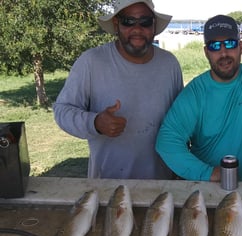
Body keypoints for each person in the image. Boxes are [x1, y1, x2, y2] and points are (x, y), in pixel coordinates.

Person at [53, 0, 183, 179]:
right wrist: (95, 122)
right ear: (116, 24)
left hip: (161, 186)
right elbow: (62, 111)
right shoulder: (91, 62)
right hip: (108, 186)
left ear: (153, 26)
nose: (137, 29)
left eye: (145, 21)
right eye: (128, 21)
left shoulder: (170, 64)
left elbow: (180, 122)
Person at [155, 15, 242, 189]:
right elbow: (166, 141)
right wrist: (208, 173)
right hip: (206, 191)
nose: (223, 53)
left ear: (241, 47)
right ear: (206, 52)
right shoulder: (195, 92)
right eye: (215, 46)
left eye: (230, 44)